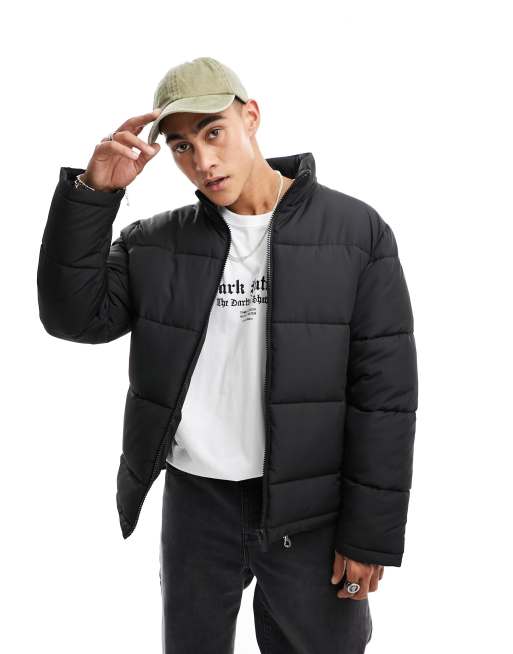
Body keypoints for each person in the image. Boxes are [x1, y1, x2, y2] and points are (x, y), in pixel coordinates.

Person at [37, 56, 418, 653]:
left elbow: (385, 398)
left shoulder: (355, 233)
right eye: (182, 147)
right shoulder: (153, 243)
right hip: (198, 502)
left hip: (310, 506)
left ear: (251, 118)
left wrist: (369, 534)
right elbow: (72, 318)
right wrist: (94, 195)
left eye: (213, 132)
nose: (204, 161)